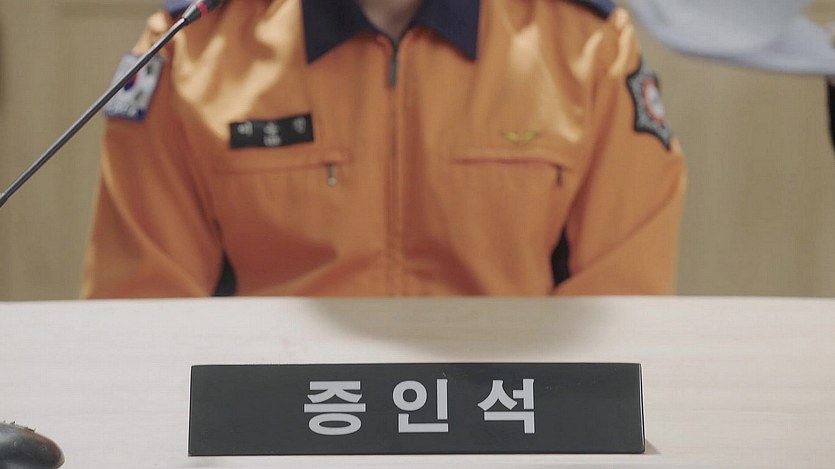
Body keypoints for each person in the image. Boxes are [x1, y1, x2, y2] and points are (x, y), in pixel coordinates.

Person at [81, 0, 687, 298]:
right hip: (272, 435)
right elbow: (143, 319)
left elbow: (622, 319)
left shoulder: (585, 43)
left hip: (512, 428)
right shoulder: (194, 47)